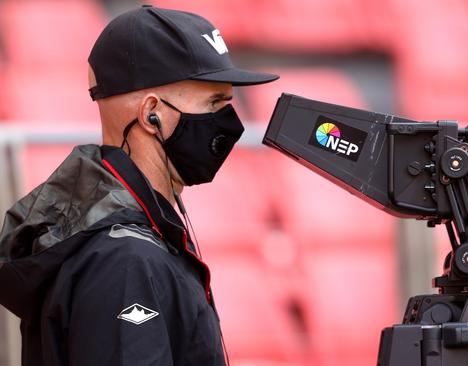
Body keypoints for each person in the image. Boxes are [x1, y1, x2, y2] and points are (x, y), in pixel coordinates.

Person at [0, 5, 278, 365]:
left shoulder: (139, 232)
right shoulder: (125, 261)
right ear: (152, 114)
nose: (230, 122)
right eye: (215, 102)